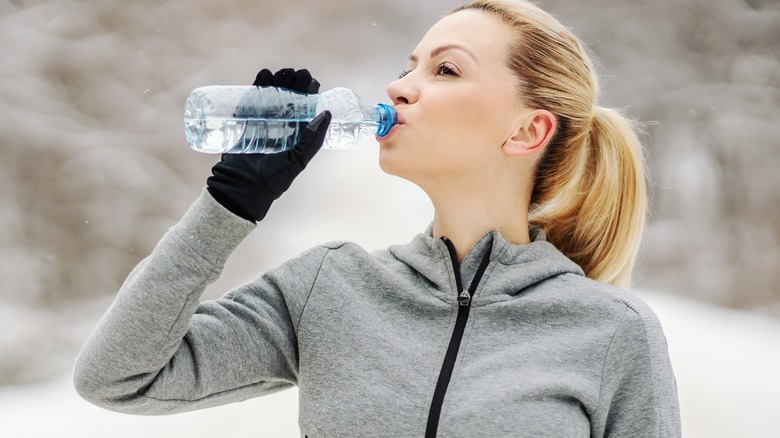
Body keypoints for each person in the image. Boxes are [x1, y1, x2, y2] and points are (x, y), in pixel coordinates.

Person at [74, 0, 681, 436]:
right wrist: (228, 205)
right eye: (407, 67)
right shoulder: (329, 290)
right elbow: (117, 377)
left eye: (445, 69)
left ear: (527, 131)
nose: (400, 87)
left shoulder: (610, 331)